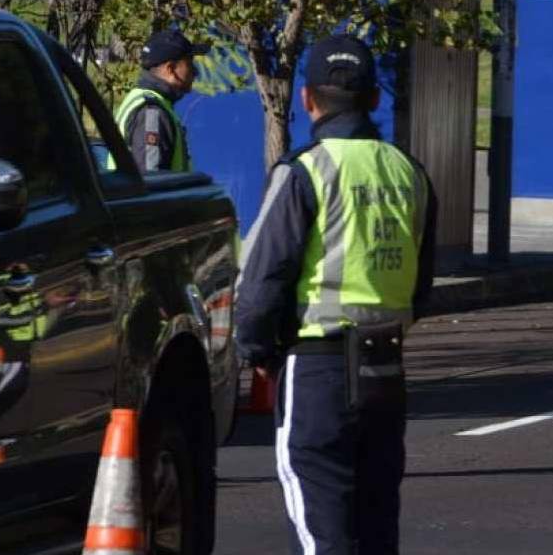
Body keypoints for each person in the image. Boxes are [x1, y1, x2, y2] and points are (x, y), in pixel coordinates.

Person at [234, 34, 437, 553]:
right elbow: (421, 282)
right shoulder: (409, 173)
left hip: (317, 365)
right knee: (375, 526)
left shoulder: (303, 172)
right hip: (386, 369)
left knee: (321, 526)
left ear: (307, 98)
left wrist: (256, 351)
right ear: (374, 99)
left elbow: (262, 281)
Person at [114, 29, 209, 172]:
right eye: (189, 64)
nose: (195, 72)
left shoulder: (143, 98)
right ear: (170, 69)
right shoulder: (152, 112)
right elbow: (151, 181)